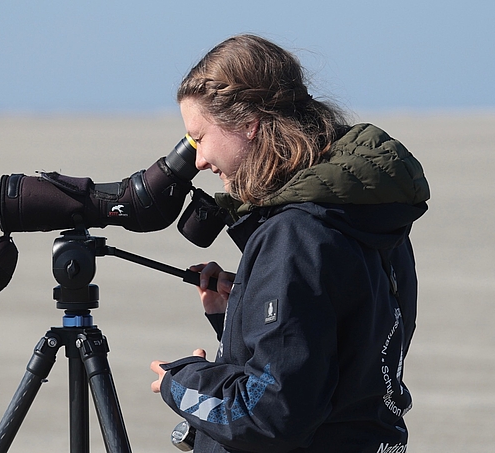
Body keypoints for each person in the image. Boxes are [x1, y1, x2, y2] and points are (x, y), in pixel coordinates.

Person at [149, 34, 429, 453]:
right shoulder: (364, 211)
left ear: (249, 123)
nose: (200, 160)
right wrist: (241, 313)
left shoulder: (293, 234)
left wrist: (183, 380)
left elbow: (271, 416)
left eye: (200, 137)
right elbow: (348, 357)